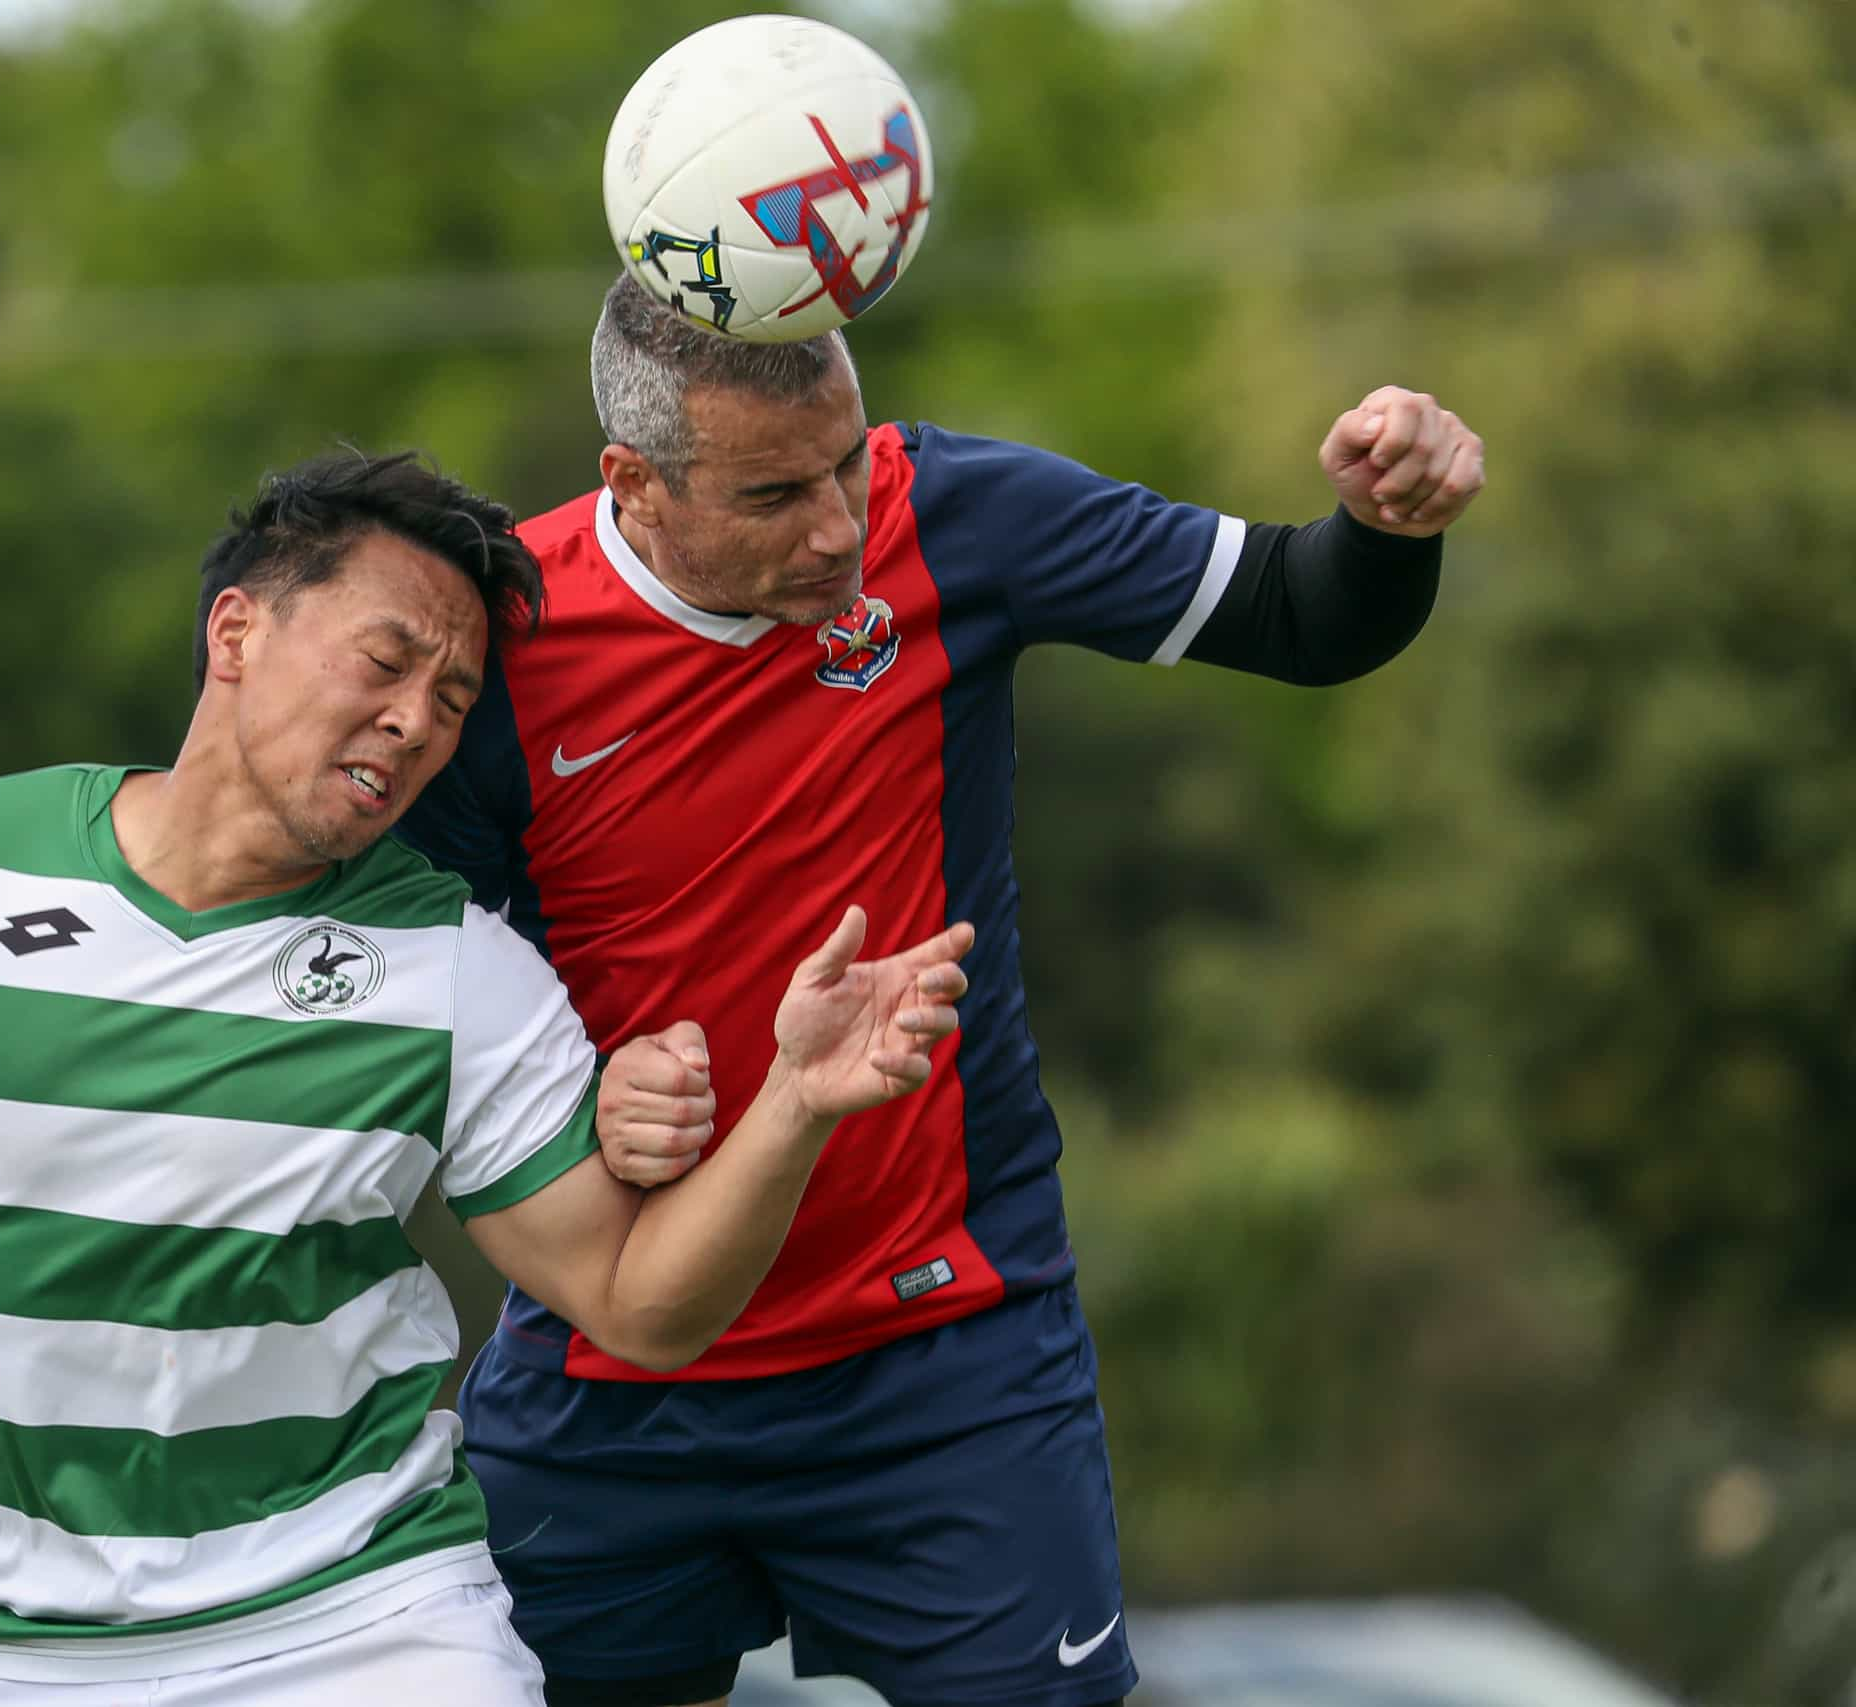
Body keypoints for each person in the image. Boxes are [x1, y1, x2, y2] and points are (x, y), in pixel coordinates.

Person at [0, 448, 976, 1707]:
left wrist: (793, 1104)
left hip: (365, 1630)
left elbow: (640, 1301)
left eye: (451, 701)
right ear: (235, 635)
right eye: (385, 662)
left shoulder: (456, 971)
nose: (415, 723)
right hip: (9, 1652)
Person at [393, 275, 1488, 1707]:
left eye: (846, 458)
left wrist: (1388, 530)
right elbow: (408, 988)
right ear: (634, 484)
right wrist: (578, 1086)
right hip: (613, 1374)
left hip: (948, 1360)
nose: (841, 523)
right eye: (776, 493)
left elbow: (1300, 613)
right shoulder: (502, 641)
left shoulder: (957, 515)